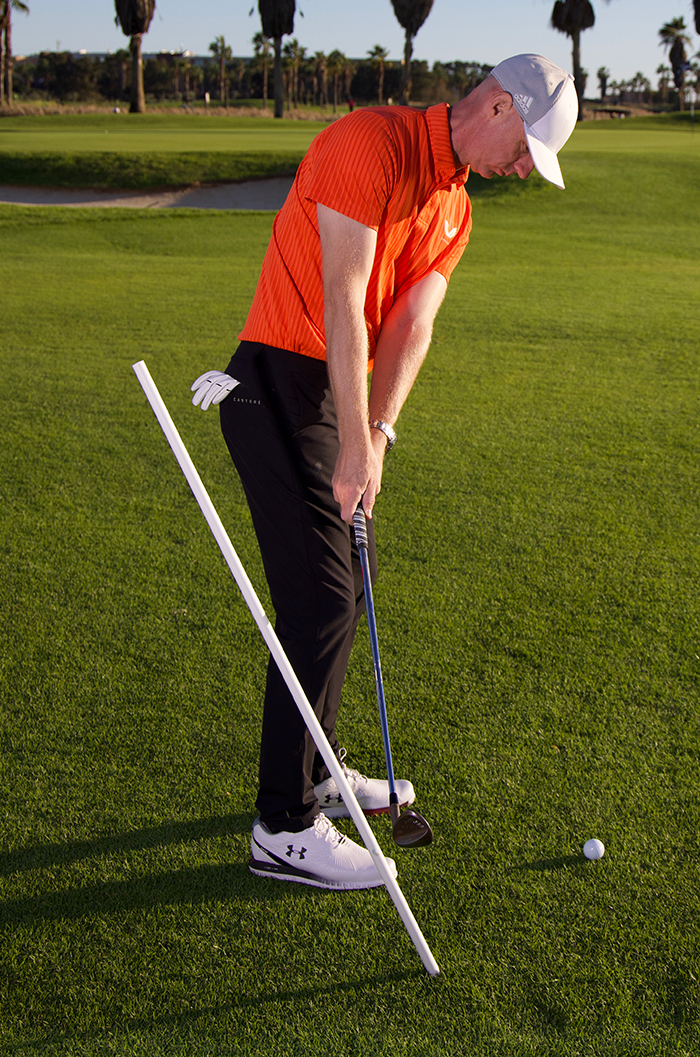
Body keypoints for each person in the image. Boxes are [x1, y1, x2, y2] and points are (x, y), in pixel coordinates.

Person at [189, 54, 577, 890]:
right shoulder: (369, 143)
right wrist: (352, 439)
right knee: (320, 598)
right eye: (524, 150)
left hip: (337, 396)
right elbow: (345, 294)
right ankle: (283, 826)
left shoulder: (456, 208)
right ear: (499, 106)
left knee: (348, 585)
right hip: (275, 382)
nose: (521, 170)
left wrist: (378, 433)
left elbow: (411, 324)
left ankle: (320, 765)